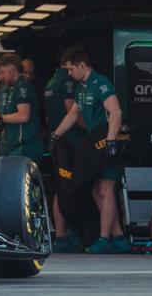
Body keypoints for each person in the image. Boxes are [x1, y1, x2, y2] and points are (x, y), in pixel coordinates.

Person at [52, 46, 130, 254]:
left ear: (82, 65)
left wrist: (112, 141)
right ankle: (119, 238)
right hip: (94, 145)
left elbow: (116, 112)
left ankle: (104, 238)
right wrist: (56, 135)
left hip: (108, 143)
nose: (69, 74)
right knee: (97, 189)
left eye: (70, 69)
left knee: (105, 189)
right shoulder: (81, 88)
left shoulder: (101, 83)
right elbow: (72, 115)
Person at [45, 61, 85, 253]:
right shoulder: (68, 83)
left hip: (58, 142)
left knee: (60, 188)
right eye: (69, 68)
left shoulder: (51, 82)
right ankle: (67, 234)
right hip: (70, 143)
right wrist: (94, 129)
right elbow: (73, 112)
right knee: (68, 189)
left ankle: (61, 235)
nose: (70, 72)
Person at [0, 53, 44, 164]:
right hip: (14, 148)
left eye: (2, 72)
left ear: (13, 69)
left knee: (17, 181)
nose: (1, 76)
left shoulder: (23, 87)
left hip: (25, 148)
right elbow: (13, 124)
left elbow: (23, 116)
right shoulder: (10, 89)